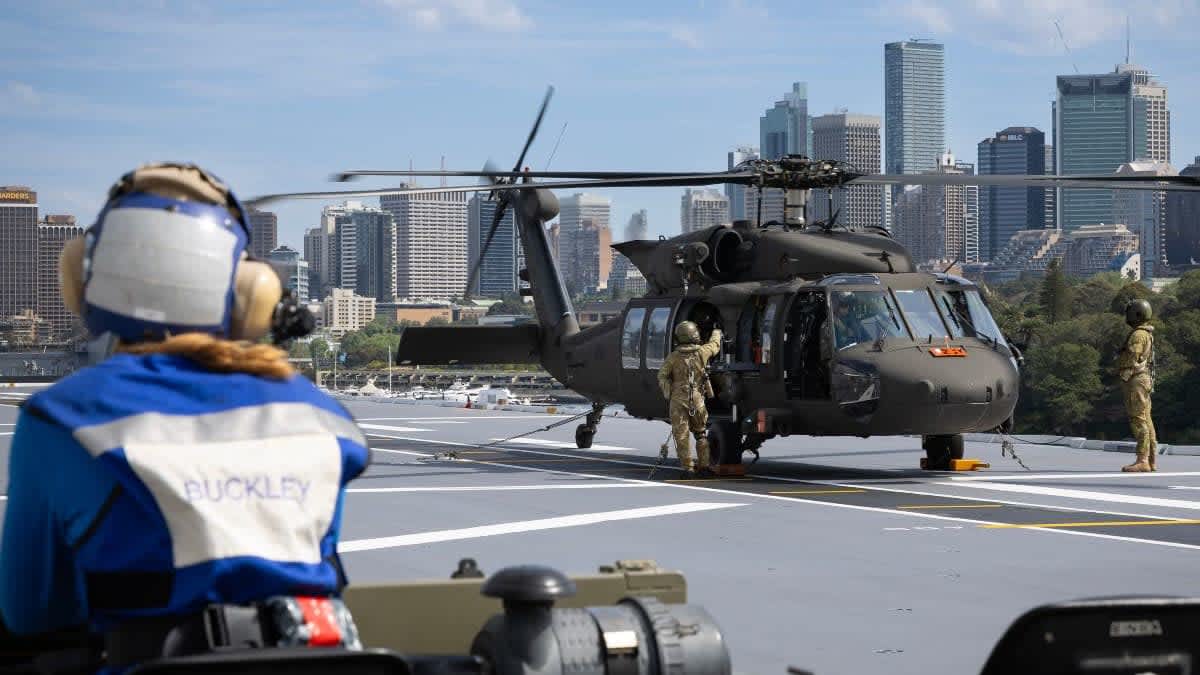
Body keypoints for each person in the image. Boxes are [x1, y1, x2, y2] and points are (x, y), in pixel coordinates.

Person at [0, 164, 370, 669]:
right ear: (251, 296)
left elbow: (33, 613)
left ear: (84, 282)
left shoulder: (61, 419)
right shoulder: (322, 416)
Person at [657, 321, 722, 476]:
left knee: (681, 435)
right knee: (701, 433)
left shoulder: (673, 357)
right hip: (697, 399)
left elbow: (662, 376)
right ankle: (704, 467)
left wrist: (670, 392)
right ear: (695, 335)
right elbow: (715, 345)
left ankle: (688, 468)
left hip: (678, 400)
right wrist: (717, 331)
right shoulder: (702, 352)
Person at [1117, 298, 1158, 472]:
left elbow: (1132, 358)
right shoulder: (1146, 332)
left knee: (1138, 419)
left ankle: (1142, 459)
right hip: (1143, 379)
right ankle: (1150, 459)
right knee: (1146, 418)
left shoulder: (1138, 335)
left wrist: (1121, 365)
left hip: (1136, 380)